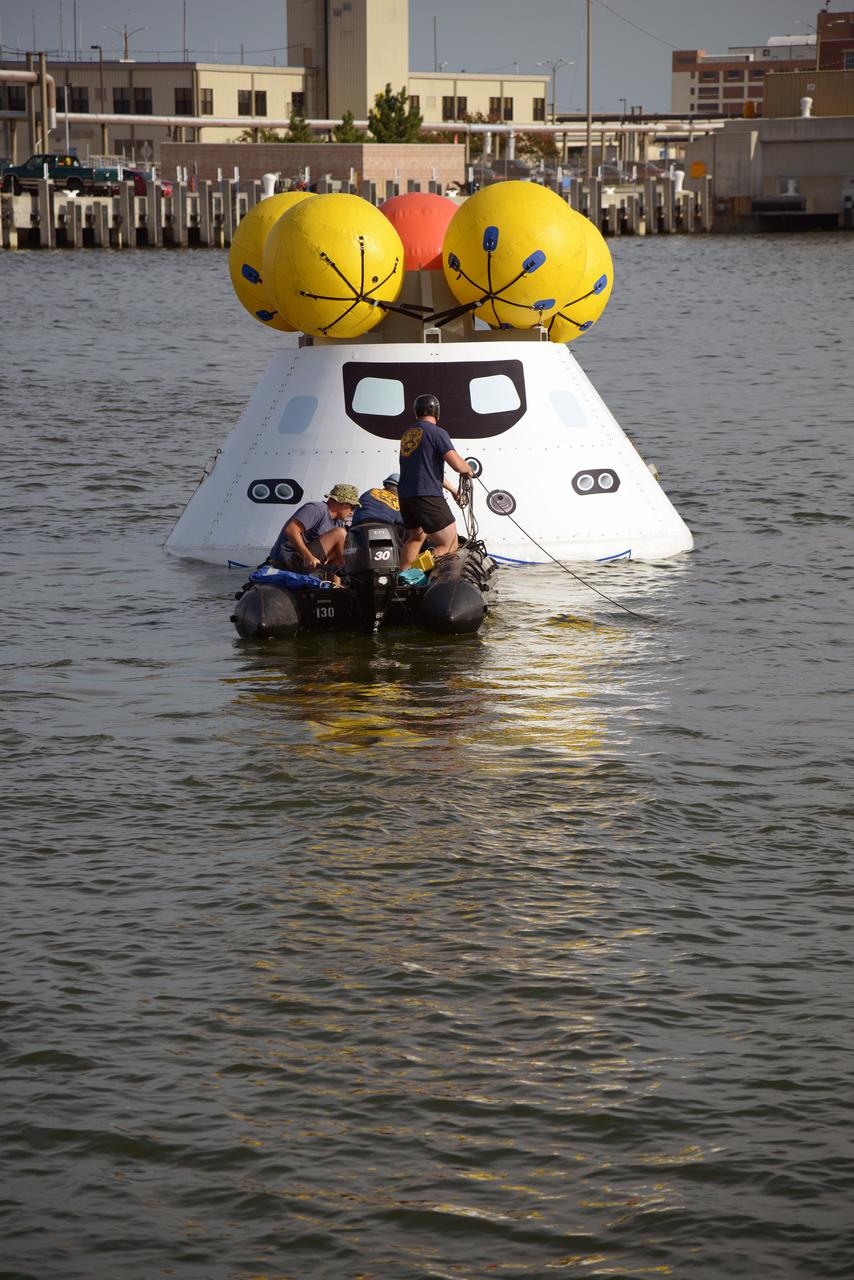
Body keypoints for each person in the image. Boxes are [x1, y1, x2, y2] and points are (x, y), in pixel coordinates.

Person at [397, 394, 473, 570]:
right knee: (449, 543)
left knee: (416, 537)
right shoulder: (437, 433)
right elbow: (457, 465)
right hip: (427, 496)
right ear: (436, 412)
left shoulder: (408, 434)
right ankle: (414, 573)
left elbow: (428, 472)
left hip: (407, 496)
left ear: (416, 412)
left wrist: (454, 490)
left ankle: (402, 576)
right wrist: (468, 469)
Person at [267, 483, 360, 572]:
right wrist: (308, 556)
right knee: (341, 534)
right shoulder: (317, 509)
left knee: (342, 543)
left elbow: (337, 561)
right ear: (343, 503)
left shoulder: (338, 523)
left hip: (306, 561)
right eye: (353, 507)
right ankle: (347, 571)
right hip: (287, 560)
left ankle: (336, 586)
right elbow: (290, 529)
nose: (352, 512)